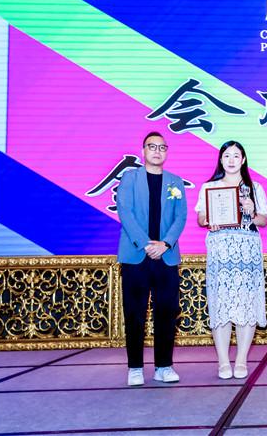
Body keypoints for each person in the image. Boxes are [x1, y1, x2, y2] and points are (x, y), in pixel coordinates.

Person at [116, 131, 187, 386]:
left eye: (162, 147)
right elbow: (125, 212)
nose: (157, 151)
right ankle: (135, 367)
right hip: (136, 255)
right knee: (134, 313)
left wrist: (165, 244)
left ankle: (164, 366)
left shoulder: (175, 182)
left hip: (166, 256)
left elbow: (181, 217)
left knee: (167, 312)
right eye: (152, 146)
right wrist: (146, 244)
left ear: (167, 152)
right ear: (143, 151)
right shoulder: (130, 178)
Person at [195, 141, 267, 380]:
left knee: (246, 304)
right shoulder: (210, 187)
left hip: (247, 251)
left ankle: (242, 360)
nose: (232, 160)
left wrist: (252, 211)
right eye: (227, 155)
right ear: (221, 159)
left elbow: (263, 220)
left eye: (236, 155)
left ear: (243, 160)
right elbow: (201, 218)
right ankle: (223, 361)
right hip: (220, 251)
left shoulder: (254, 188)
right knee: (221, 304)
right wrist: (209, 220)